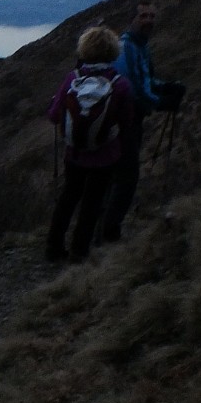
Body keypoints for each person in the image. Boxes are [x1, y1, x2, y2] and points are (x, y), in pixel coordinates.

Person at [45, 26, 134, 262]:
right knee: (92, 204)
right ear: (113, 52)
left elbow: (54, 116)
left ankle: (53, 248)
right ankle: (79, 252)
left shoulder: (72, 80)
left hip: (74, 154)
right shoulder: (120, 84)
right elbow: (127, 124)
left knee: (68, 198)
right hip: (105, 156)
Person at [101, 1, 185, 242]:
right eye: (143, 16)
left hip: (126, 120)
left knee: (114, 175)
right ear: (133, 20)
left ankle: (102, 230)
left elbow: (146, 80)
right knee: (126, 176)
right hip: (123, 121)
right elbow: (135, 89)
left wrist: (167, 87)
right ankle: (108, 234)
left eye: (152, 16)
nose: (149, 20)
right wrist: (161, 103)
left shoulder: (139, 47)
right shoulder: (128, 47)